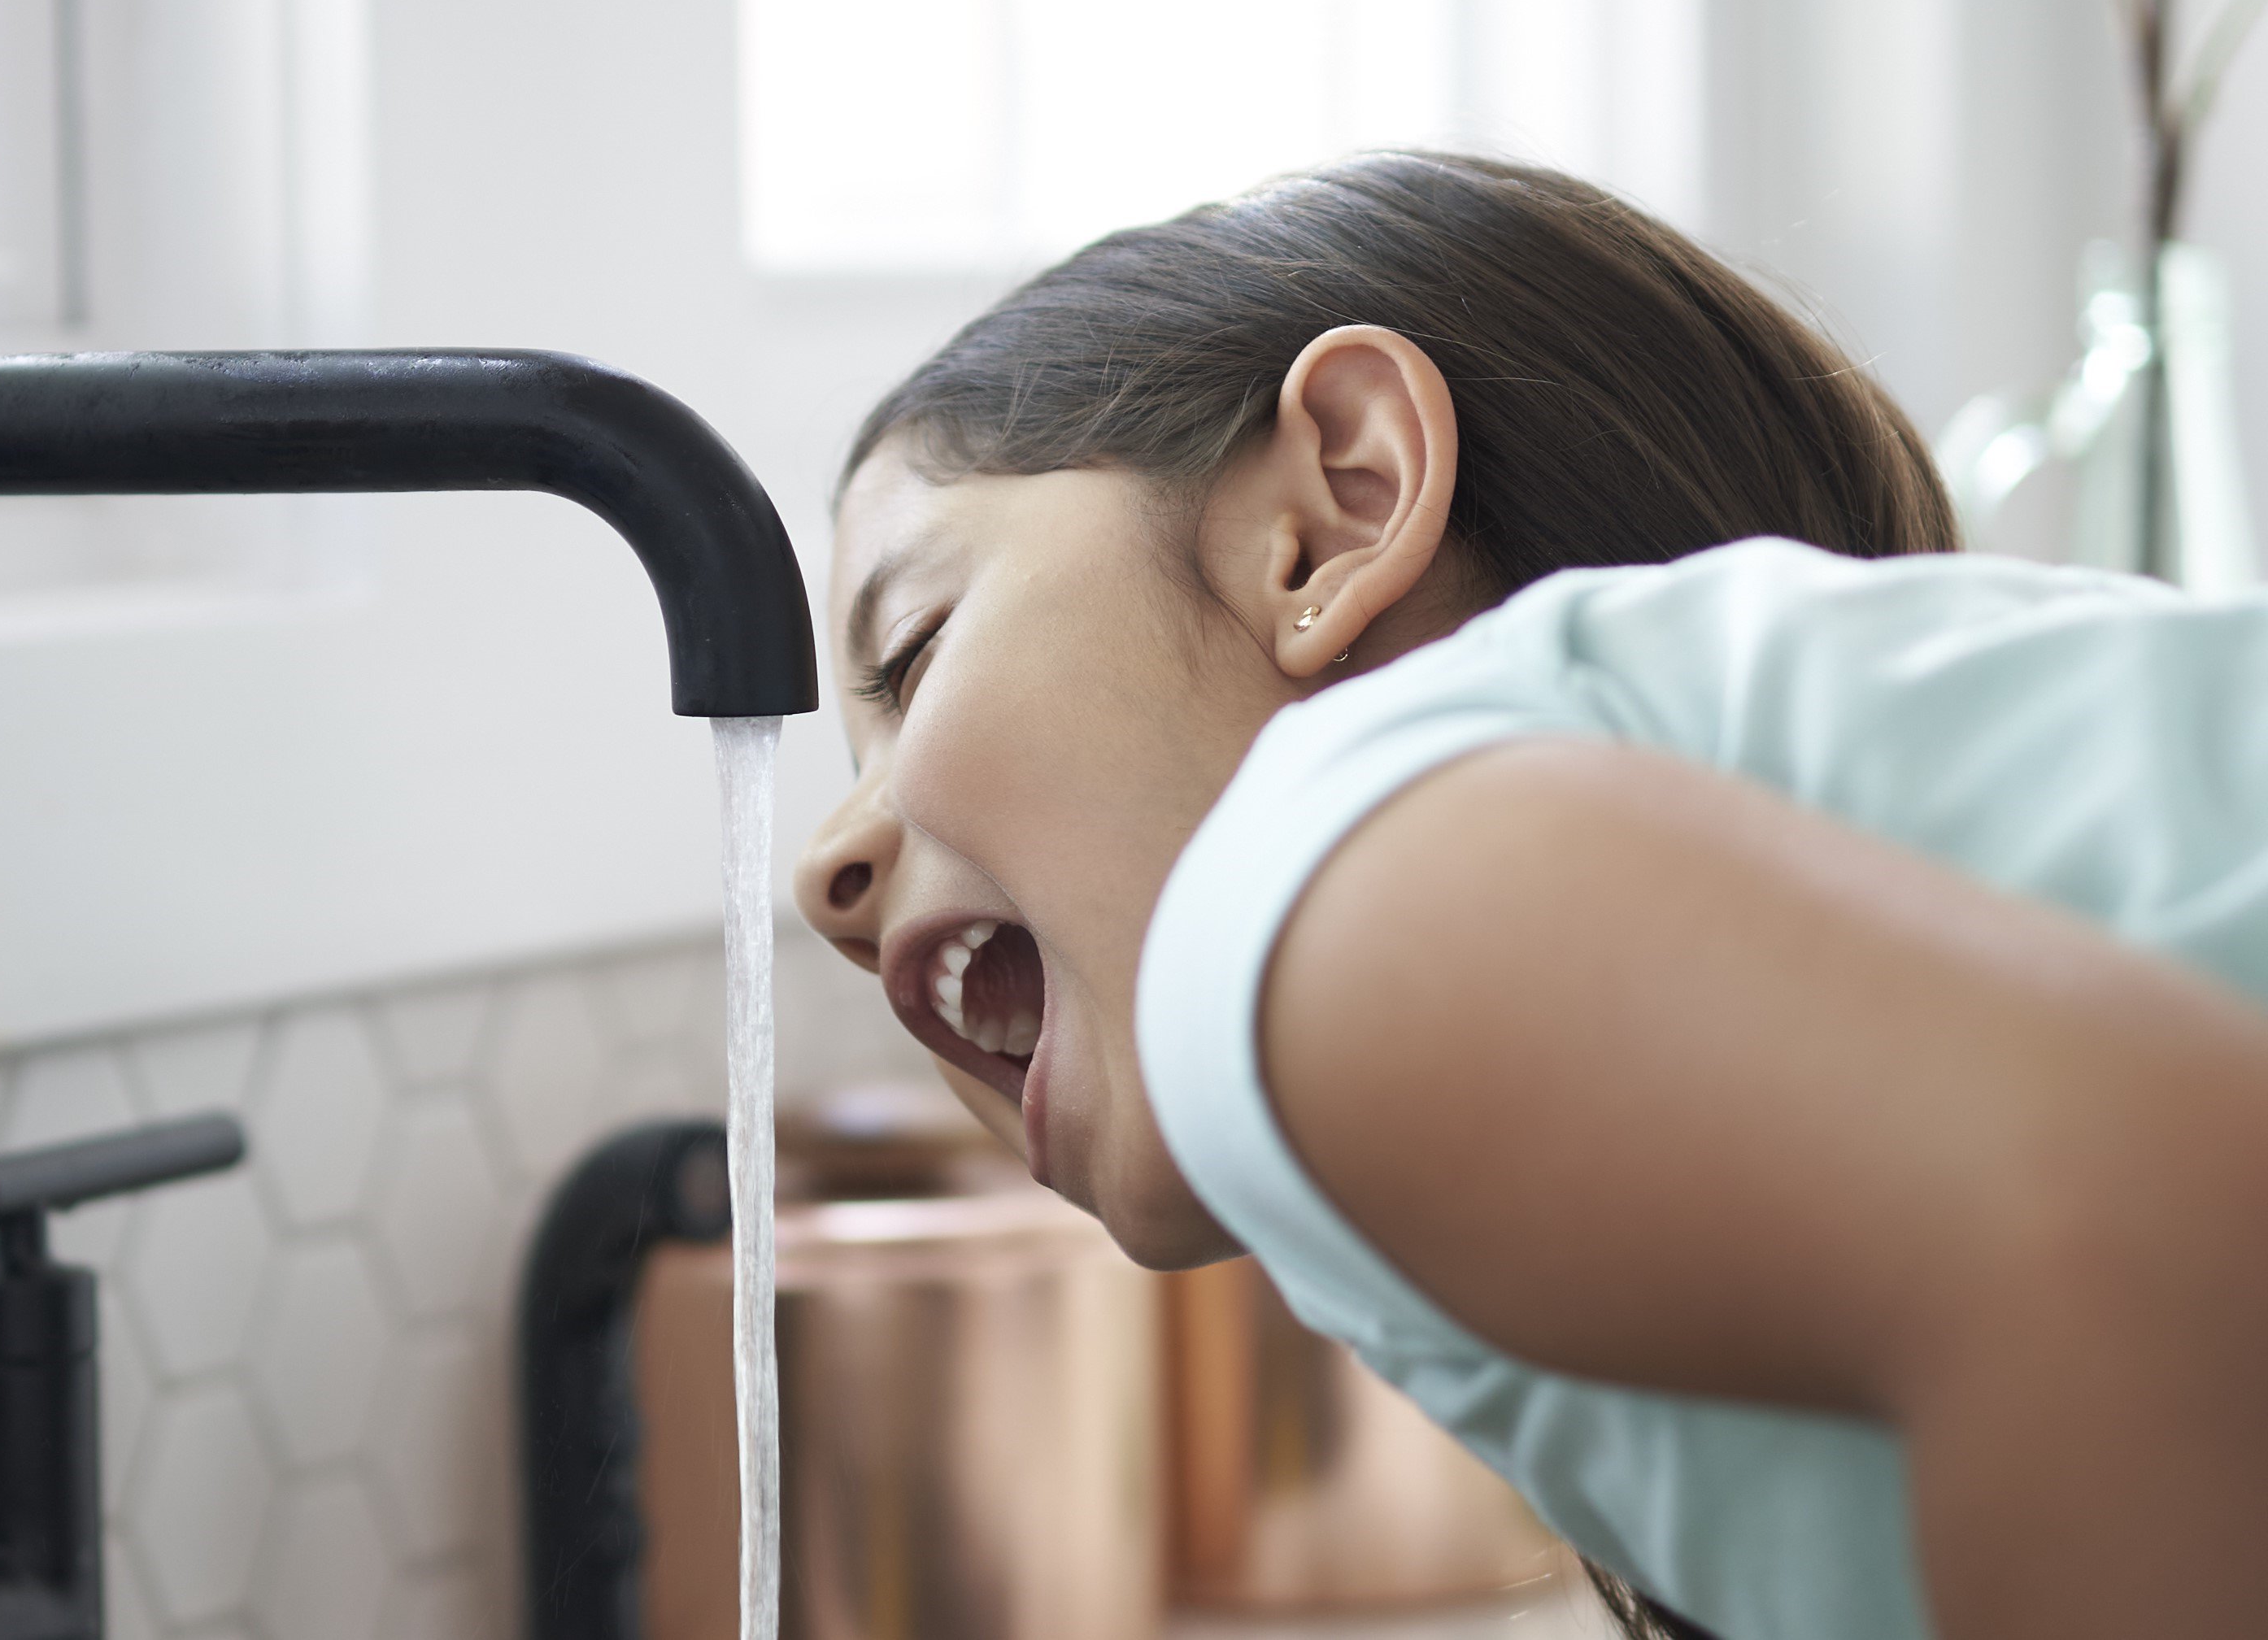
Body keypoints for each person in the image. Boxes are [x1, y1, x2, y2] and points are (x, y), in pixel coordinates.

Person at [792, 151, 2268, 1640]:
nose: (823, 870)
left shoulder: (1303, 873)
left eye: (914, 653)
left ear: (1333, 512)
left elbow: (2136, 1236)